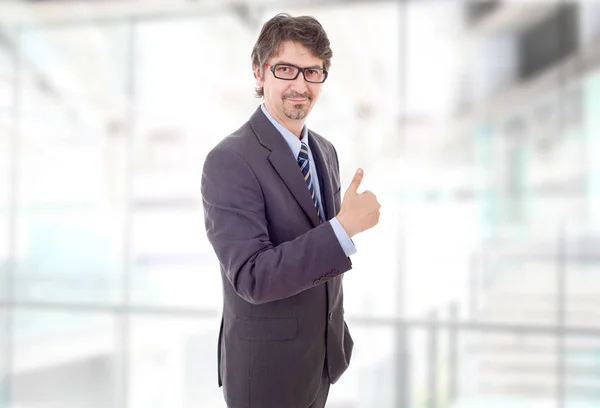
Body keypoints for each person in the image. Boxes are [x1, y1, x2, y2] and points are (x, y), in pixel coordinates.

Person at [201, 13, 381, 408]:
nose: (300, 85)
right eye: (286, 69)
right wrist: (343, 229)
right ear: (258, 72)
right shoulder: (230, 160)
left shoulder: (325, 151)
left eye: (313, 72)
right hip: (266, 372)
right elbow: (252, 276)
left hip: (321, 360)